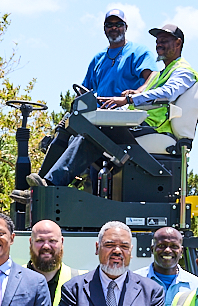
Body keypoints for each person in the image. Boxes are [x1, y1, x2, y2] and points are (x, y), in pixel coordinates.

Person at [29, 24, 198, 189]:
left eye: (165, 40)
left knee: (94, 133)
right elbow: (143, 95)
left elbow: (168, 93)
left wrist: (130, 99)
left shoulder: (183, 71)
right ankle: (43, 182)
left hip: (153, 127)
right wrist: (119, 101)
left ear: (178, 43)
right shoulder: (161, 73)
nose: (159, 44)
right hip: (139, 124)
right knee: (71, 126)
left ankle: (52, 184)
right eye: (158, 40)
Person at [30, 9, 155, 183]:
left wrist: (137, 92)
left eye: (118, 24)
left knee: (87, 136)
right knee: (65, 129)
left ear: (126, 27)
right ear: (104, 29)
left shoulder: (138, 52)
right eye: (109, 25)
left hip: (123, 119)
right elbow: (84, 90)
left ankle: (52, 182)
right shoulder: (98, 58)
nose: (114, 28)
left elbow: (151, 78)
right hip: (100, 117)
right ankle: (42, 182)